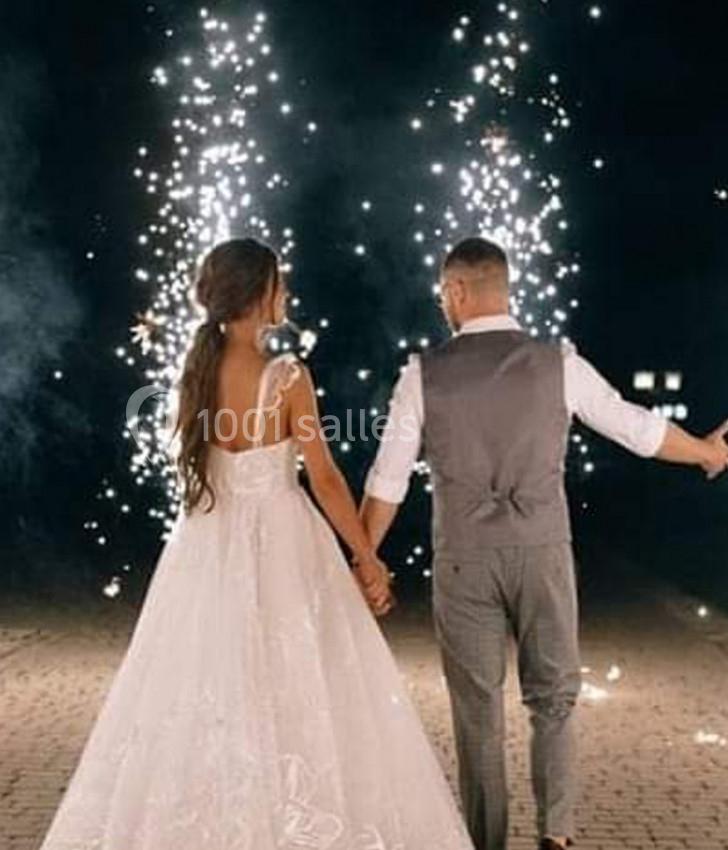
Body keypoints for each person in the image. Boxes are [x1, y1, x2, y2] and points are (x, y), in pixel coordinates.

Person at [40, 237, 474, 850]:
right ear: (258, 294)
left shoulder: (196, 374)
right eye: (279, 282)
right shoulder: (288, 376)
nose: (286, 292)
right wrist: (366, 557)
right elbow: (324, 477)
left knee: (205, 678)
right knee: (300, 681)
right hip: (284, 541)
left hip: (207, 543)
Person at [357, 236, 728, 850]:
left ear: (457, 291)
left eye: (444, 294)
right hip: (542, 552)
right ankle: (556, 837)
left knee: (477, 713)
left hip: (464, 561)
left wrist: (365, 561)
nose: (442, 304)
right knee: (554, 699)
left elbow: (388, 479)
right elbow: (634, 427)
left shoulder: (421, 375)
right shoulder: (559, 363)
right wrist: (704, 452)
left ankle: (488, 842)